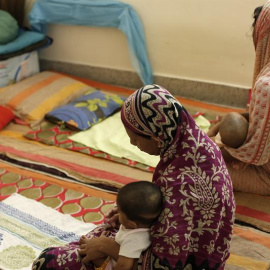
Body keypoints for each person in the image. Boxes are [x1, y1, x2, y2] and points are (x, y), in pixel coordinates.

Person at [32, 84, 235, 270]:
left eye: (135, 139)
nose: (132, 144)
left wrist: (107, 246)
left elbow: (163, 264)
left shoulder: (182, 185)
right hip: (164, 242)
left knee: (46, 262)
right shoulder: (195, 145)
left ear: (156, 138)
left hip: (181, 262)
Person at [207, 2, 270, 195]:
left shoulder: (266, 85)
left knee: (197, 168)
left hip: (266, 173)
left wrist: (209, 145)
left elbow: (255, 154)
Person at [79, 180, 163, 270]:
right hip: (116, 252)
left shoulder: (133, 240)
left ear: (132, 224)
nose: (117, 211)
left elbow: (124, 266)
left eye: (119, 211)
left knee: (89, 256)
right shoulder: (137, 226)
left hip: (113, 265)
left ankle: (90, 246)